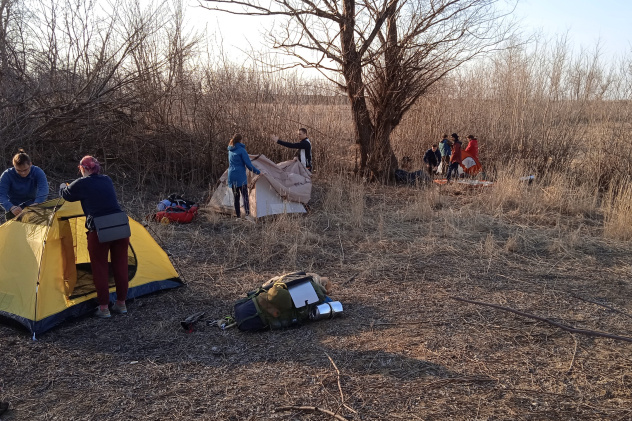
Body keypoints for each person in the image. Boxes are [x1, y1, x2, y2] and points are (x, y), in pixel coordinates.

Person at [60, 156, 129, 318]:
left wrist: (63, 186)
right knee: (121, 266)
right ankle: (121, 304)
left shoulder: (81, 183)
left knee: (100, 268)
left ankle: (104, 308)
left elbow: (66, 195)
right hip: (120, 225)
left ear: (82, 169)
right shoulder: (107, 179)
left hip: (99, 229)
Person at [0, 149, 49, 220]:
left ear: (30, 164)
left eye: (25, 170)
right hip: (13, 209)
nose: (22, 173)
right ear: (14, 166)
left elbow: (44, 189)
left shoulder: (38, 172)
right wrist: (10, 207)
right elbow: (1, 194)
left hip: (34, 207)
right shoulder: (7, 175)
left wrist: (37, 203)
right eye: (19, 170)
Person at [227, 134, 261, 222]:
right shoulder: (242, 150)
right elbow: (249, 165)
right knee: (245, 195)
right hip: (240, 176)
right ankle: (247, 215)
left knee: (236, 197)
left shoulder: (230, 150)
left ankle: (238, 217)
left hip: (231, 175)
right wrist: (258, 172)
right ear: (241, 140)